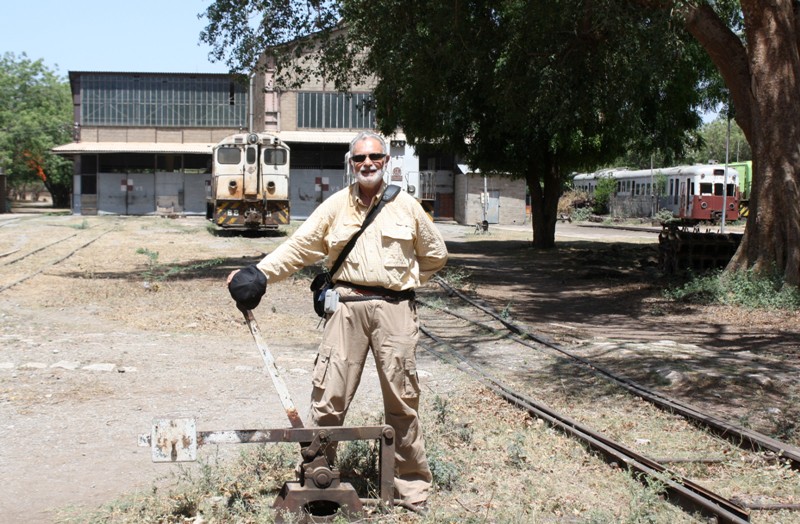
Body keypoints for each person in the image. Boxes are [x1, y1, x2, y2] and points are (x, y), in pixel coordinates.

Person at [226, 130, 448, 508]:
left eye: (374, 157)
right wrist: (259, 274)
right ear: (351, 164)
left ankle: (411, 489)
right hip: (344, 309)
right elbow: (299, 247)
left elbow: (435, 255)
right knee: (329, 401)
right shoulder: (335, 207)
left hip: (395, 313)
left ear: (386, 160)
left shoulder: (407, 207)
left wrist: (404, 283)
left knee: (402, 403)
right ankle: (322, 483)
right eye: (359, 158)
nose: (367, 164)